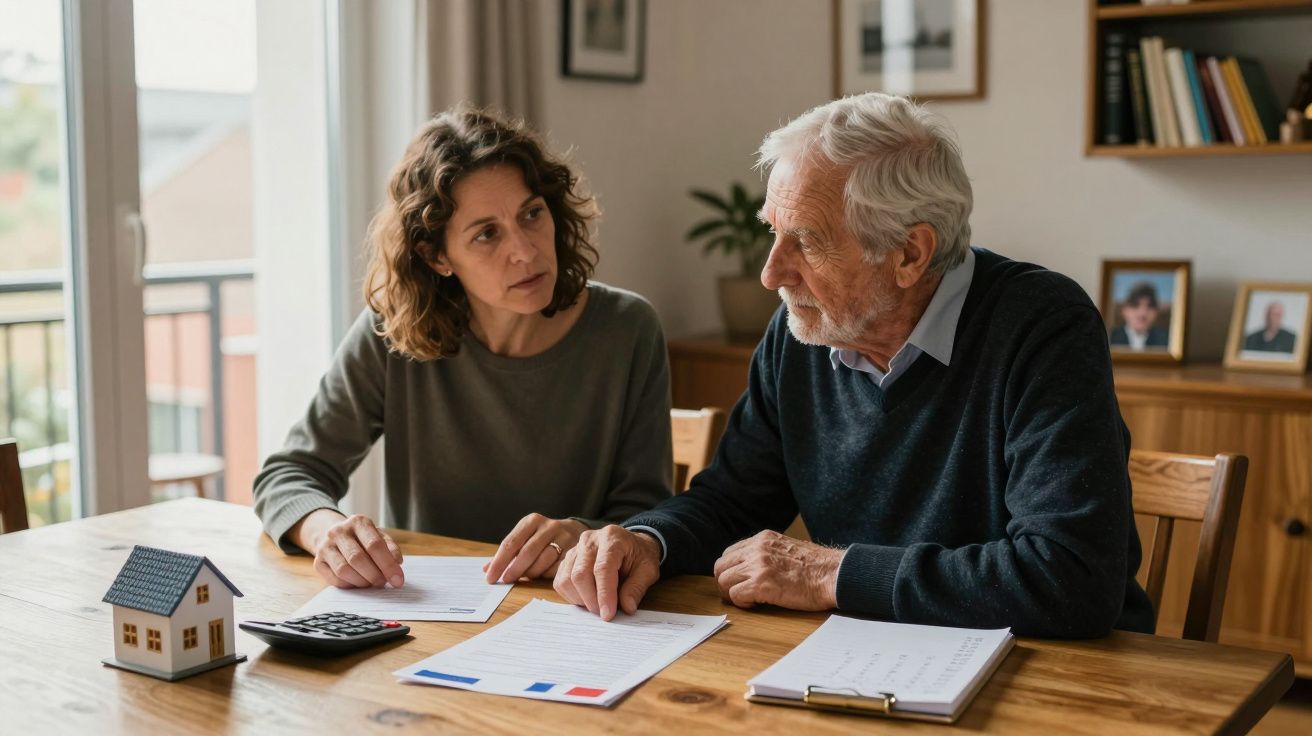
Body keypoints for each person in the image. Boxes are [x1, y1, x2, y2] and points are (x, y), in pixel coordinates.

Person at [553, 93, 1154, 638]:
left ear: (910, 254)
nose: (771, 273)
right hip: (874, 654)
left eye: (807, 242)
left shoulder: (1041, 325)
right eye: (773, 232)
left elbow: (1070, 579)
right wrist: (648, 541)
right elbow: (732, 502)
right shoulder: (804, 331)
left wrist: (831, 575)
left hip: (1059, 671)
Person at [253, 107, 672, 591]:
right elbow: (288, 474)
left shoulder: (628, 330)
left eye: (532, 213)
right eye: (487, 233)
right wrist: (329, 532)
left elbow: (647, 516)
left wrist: (580, 533)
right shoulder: (392, 333)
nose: (525, 250)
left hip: (572, 611)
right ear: (437, 256)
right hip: (427, 612)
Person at [1109, 282, 1169, 350]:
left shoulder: (1166, 340)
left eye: (1150, 306)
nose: (1143, 314)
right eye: (1135, 305)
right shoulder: (1110, 337)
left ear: (1156, 312)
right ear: (1124, 310)